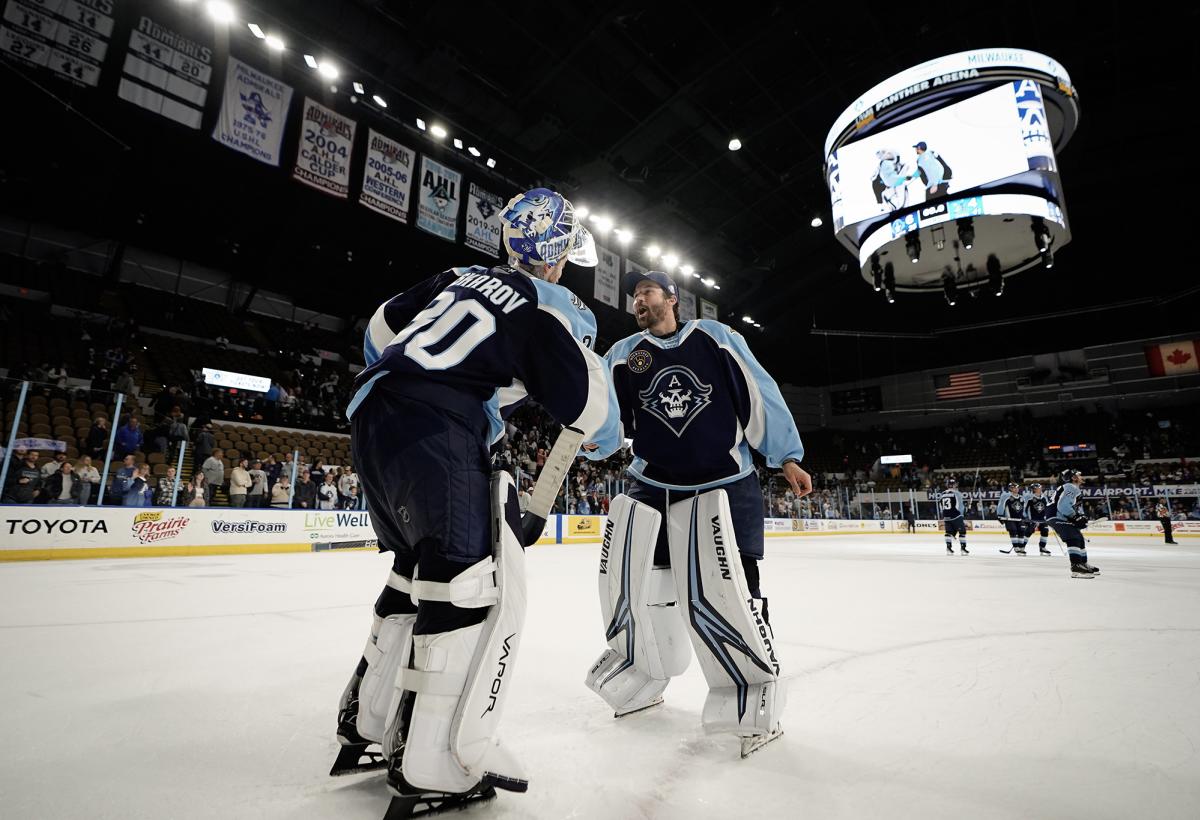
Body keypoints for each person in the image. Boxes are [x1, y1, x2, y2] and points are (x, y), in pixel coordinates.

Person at [332, 187, 620, 814]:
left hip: (373, 413)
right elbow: (591, 413)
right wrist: (607, 436)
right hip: (439, 429)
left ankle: (368, 723)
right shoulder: (551, 300)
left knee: (416, 571)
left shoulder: (459, 275)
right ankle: (434, 761)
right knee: (464, 585)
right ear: (555, 256)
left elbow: (381, 328)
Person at [583, 268, 810, 758]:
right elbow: (602, 412)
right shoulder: (623, 355)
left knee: (736, 590)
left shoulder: (715, 337)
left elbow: (759, 394)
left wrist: (786, 454)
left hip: (725, 482)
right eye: (634, 296)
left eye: (646, 292)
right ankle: (643, 669)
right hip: (655, 484)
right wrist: (589, 439)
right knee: (637, 584)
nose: (638, 301)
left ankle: (753, 683)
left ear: (671, 298)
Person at [1047, 469, 1100, 578]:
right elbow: (1063, 506)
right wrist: (1075, 517)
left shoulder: (1073, 488)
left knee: (1079, 538)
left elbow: (1072, 507)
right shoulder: (1071, 487)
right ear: (1073, 478)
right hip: (1057, 516)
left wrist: (1080, 517)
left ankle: (1082, 563)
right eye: (1078, 475)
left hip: (1060, 516)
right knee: (1073, 537)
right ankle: (1076, 567)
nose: (1081, 476)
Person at [1021, 483, 1053, 555]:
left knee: (1045, 531)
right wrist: (1026, 518)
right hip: (1032, 519)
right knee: (1029, 532)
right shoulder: (1028, 497)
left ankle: (1042, 548)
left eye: (1040, 487)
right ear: (1034, 489)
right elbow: (1024, 509)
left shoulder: (1044, 497)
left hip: (1042, 519)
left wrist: (1048, 516)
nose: (1041, 488)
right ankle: (1022, 547)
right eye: (1039, 487)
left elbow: (1047, 508)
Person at [939, 478, 968, 555]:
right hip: (956, 516)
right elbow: (959, 506)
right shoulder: (957, 493)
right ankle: (963, 549)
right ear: (954, 485)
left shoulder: (943, 494)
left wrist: (944, 514)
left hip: (946, 516)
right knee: (962, 532)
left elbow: (940, 506)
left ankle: (948, 548)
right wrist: (963, 513)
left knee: (948, 532)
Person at [998, 482, 1026, 554]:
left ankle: (1021, 547)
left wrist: (1025, 517)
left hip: (1019, 519)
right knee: (1013, 531)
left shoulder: (1021, 498)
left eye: (1017, 487)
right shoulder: (1006, 496)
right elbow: (1001, 505)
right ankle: (1016, 547)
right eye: (1015, 487)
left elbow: (1023, 509)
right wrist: (1000, 515)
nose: (1017, 489)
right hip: (1009, 519)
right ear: (1010, 488)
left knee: (1021, 532)